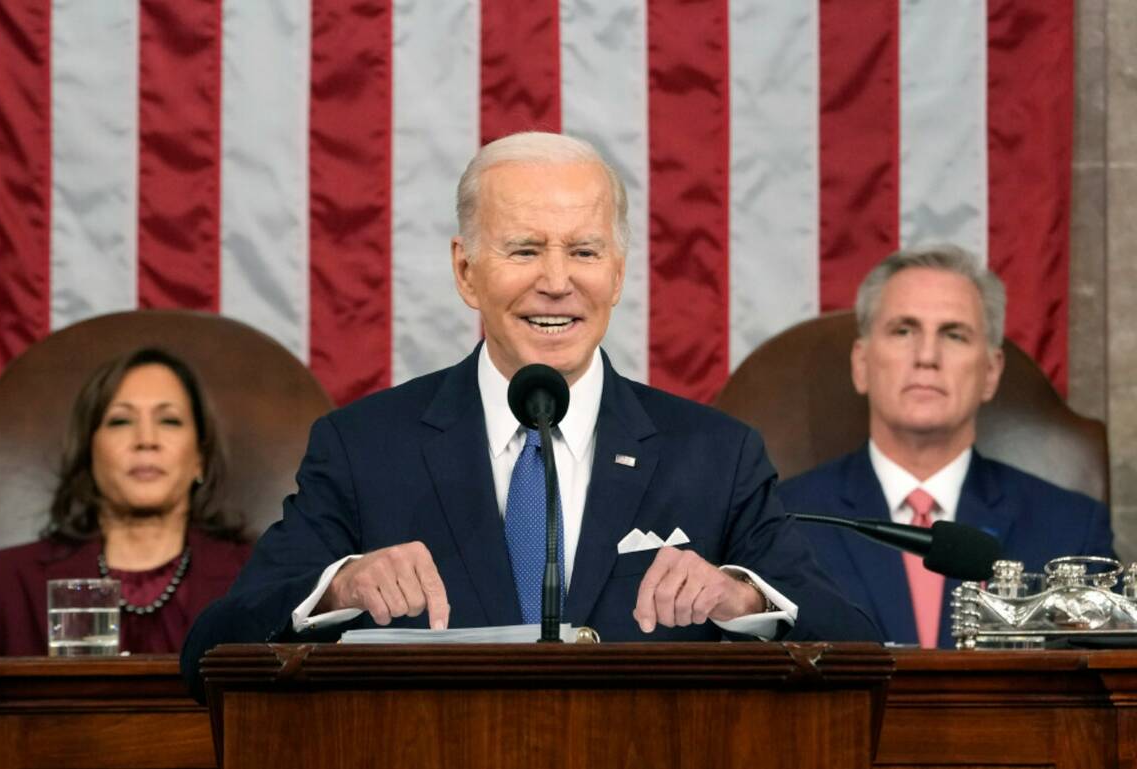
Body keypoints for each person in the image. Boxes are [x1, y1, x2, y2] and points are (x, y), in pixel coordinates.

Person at [181, 131, 878, 693]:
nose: (555, 281)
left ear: (617, 271)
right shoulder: (364, 447)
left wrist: (743, 599)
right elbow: (212, 649)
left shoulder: (716, 455)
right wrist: (339, 584)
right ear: (465, 271)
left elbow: (854, 645)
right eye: (524, 250)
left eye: (583, 250)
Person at [777, 245, 1115, 648]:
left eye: (954, 335)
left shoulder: (1070, 528)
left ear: (990, 372)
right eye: (903, 331)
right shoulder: (785, 519)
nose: (927, 356)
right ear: (861, 364)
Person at [0, 347, 252, 655]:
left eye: (169, 421)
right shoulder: (3, 585)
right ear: (89, 453)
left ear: (200, 457)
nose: (146, 439)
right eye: (120, 421)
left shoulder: (262, 582)